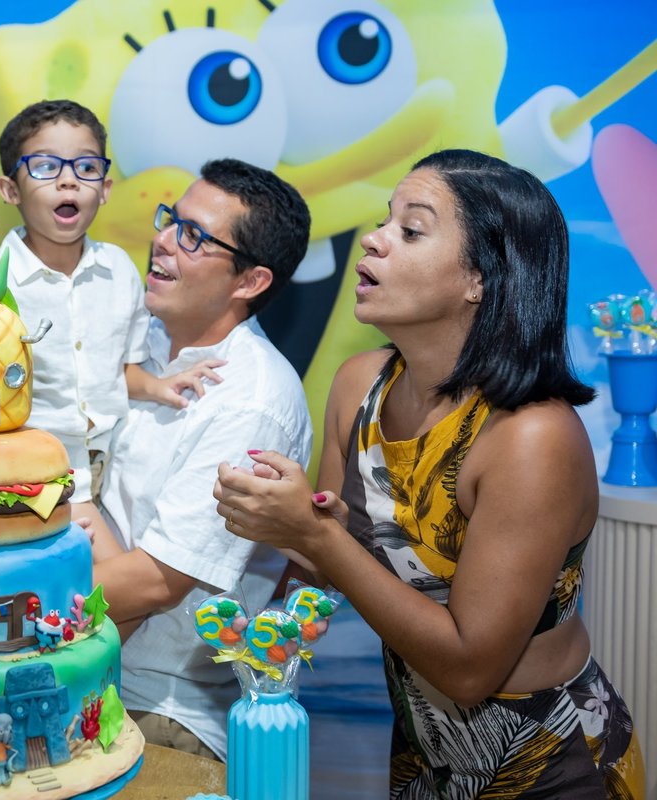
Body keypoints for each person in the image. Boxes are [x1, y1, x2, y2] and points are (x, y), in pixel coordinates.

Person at [214, 149, 646, 797]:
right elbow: (329, 552)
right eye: (385, 221)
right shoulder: (360, 385)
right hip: (424, 751)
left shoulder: (531, 437)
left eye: (410, 230)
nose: (374, 240)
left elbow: (471, 669)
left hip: (549, 761)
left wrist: (311, 533)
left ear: (480, 277)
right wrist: (268, 629)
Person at [88, 157, 313, 761]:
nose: (162, 240)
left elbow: (156, 581)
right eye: (170, 220)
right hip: (81, 667)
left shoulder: (252, 400)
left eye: (193, 236)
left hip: (154, 706)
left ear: (249, 282)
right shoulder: (143, 341)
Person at [0, 99, 220, 516]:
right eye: (46, 166)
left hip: (101, 470)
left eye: (85, 167)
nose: (68, 182)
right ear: (10, 190)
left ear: (105, 189)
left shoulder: (118, 269)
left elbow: (122, 369)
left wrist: (159, 386)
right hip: (19, 472)